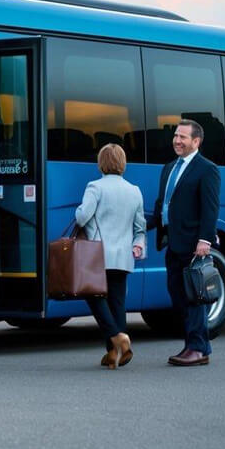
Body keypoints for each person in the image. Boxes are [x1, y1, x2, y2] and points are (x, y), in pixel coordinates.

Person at [148, 119, 221, 366]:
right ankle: (197, 345)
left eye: (183, 137)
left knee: (193, 297)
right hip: (172, 242)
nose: (177, 141)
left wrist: (204, 240)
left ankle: (198, 349)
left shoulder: (206, 169)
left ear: (196, 141)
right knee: (177, 295)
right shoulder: (169, 168)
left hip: (192, 244)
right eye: (176, 136)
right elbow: (162, 207)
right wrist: (137, 225)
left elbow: (210, 209)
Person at [74, 143, 146, 369]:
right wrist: (137, 245)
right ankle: (114, 353)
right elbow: (140, 227)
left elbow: (82, 217)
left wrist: (77, 211)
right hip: (123, 256)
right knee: (117, 302)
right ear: (122, 163)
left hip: (98, 254)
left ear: (101, 163)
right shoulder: (134, 190)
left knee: (93, 296)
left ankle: (118, 337)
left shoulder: (95, 187)